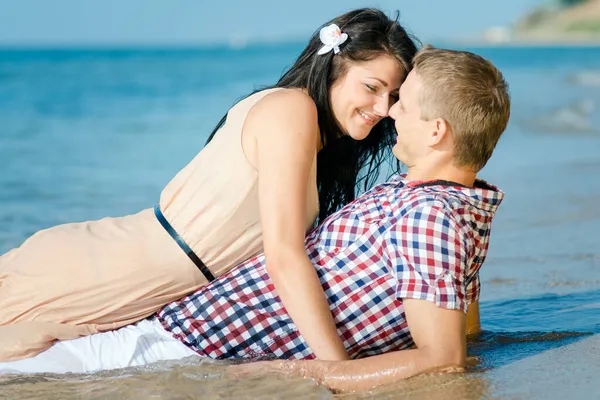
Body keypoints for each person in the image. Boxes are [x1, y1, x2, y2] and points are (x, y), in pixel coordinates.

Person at [0, 47, 510, 390]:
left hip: (184, 348)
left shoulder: (432, 214)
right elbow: (462, 321)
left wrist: (317, 373)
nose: (391, 112)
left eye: (405, 103)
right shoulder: (438, 201)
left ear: (437, 131)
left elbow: (443, 358)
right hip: (166, 327)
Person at [0, 8, 418, 362]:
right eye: (371, 87)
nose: (383, 108)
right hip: (101, 272)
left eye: (394, 96)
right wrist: (336, 367)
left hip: (144, 285)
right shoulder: (291, 109)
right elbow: (284, 256)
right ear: (332, 67)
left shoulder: (314, 135)